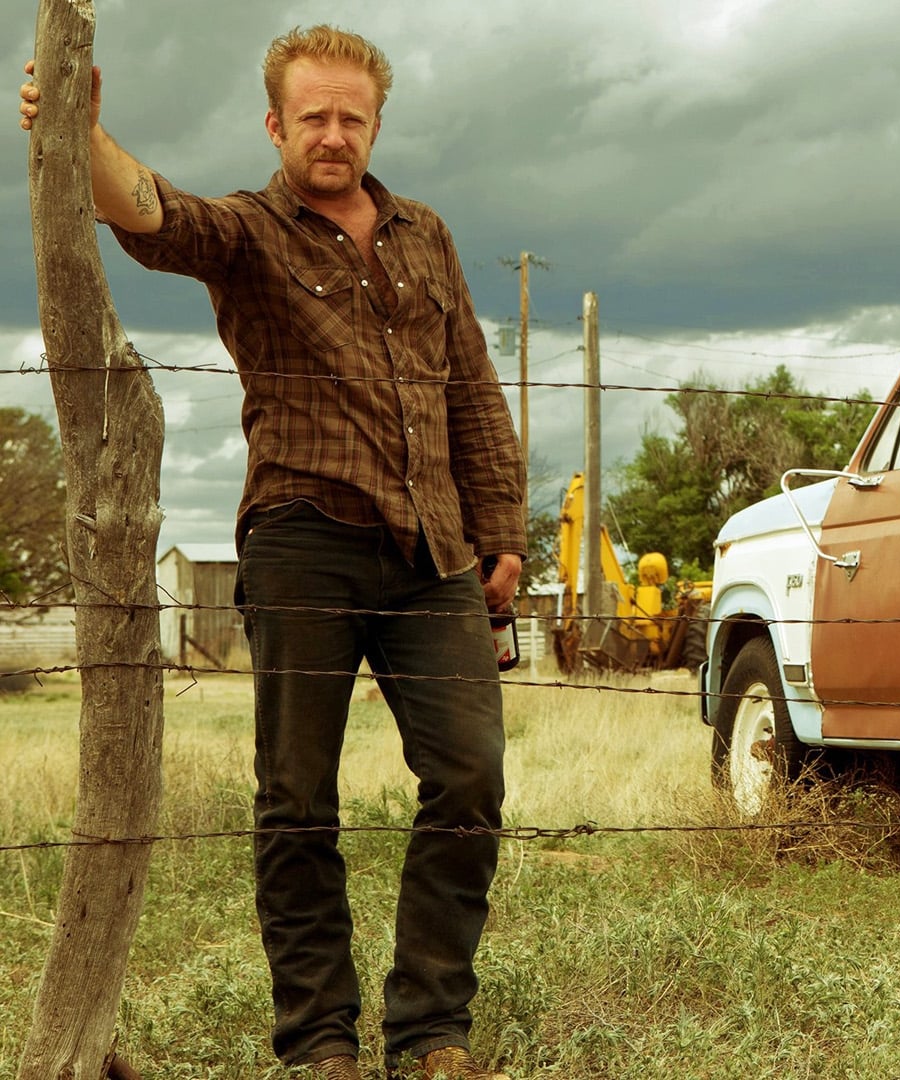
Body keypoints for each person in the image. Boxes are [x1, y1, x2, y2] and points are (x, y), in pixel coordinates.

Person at [22, 26, 523, 1079]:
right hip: (304, 538)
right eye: (313, 117)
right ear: (275, 125)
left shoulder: (425, 234)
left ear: (375, 124)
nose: (333, 135)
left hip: (434, 551)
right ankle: (319, 1042)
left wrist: (504, 535)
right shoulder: (252, 231)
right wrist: (81, 132)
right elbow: (158, 217)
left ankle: (431, 1031)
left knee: (471, 776)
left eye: (351, 117)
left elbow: (472, 387)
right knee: (297, 797)